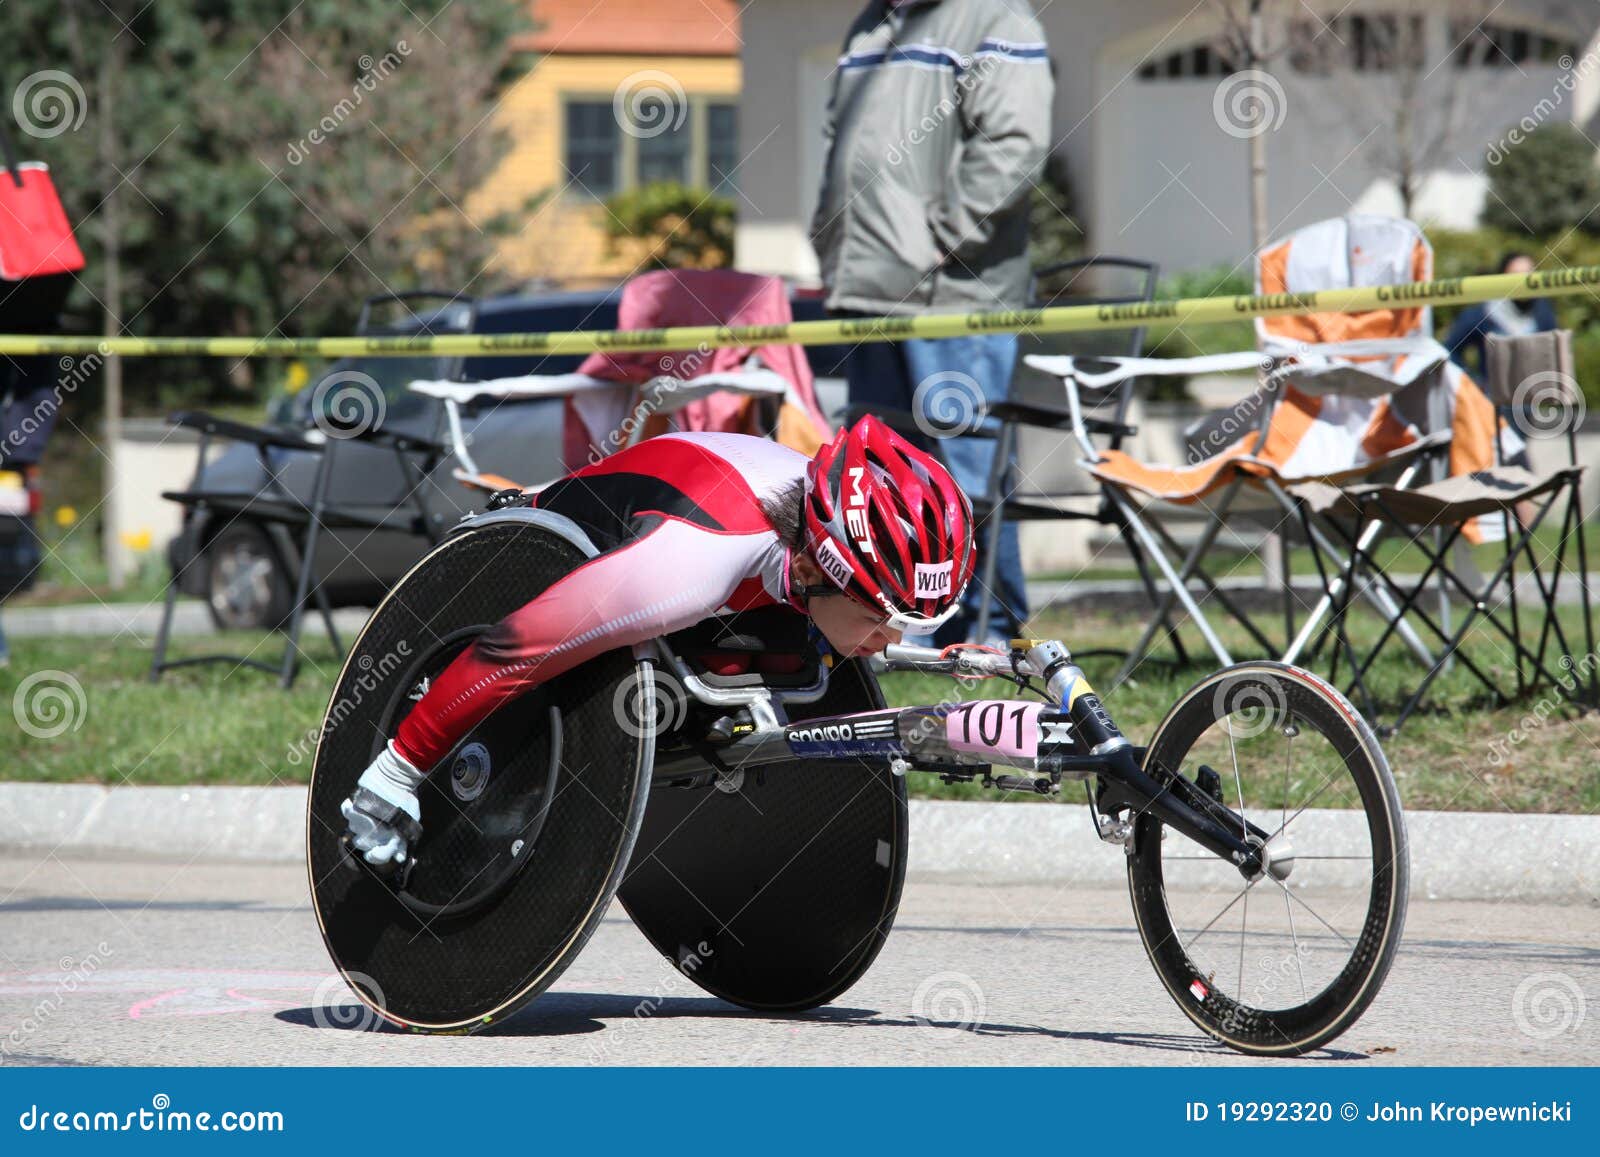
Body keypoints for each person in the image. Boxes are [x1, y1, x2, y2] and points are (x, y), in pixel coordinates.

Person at [341, 415, 975, 870]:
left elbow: (843, 613)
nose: (890, 638)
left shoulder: (812, 534)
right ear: (810, 571)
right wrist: (395, 772)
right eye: (878, 618)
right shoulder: (686, 573)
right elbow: (514, 649)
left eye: (911, 623)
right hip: (550, 552)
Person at [809, 0, 1052, 647]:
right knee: (884, 477)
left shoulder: (996, 20)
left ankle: (987, 631)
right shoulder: (870, 24)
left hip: (952, 300)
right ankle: (905, 628)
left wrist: (937, 238)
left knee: (965, 474)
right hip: (868, 292)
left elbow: (1015, 146)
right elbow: (842, 142)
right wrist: (831, 236)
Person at [1444, 252, 1557, 380]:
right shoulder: (1482, 313)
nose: (1524, 282)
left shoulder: (1542, 310)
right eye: (1516, 276)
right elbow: (1450, 351)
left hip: (1532, 396)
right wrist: (1472, 383)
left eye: (1529, 275)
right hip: (1491, 397)